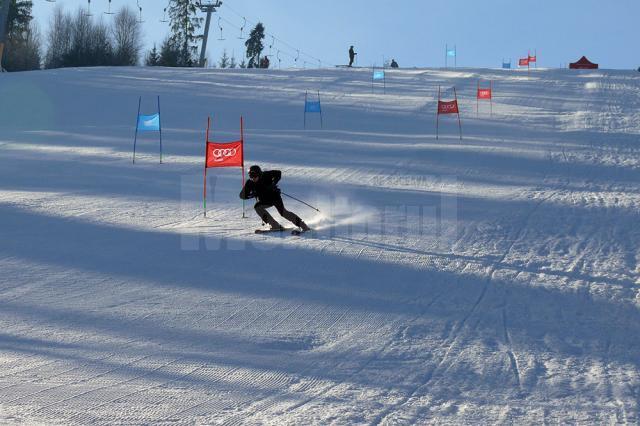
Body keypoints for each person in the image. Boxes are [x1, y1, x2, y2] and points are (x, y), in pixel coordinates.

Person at [240, 165, 311, 232]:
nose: (253, 178)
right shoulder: (250, 183)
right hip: (264, 200)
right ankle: (275, 225)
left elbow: (278, 173)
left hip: (275, 197)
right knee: (257, 207)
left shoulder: (266, 175)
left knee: (283, 213)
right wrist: (251, 195)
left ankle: (304, 226)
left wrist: (273, 184)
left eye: (255, 176)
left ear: (259, 174)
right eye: (251, 177)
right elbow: (242, 195)